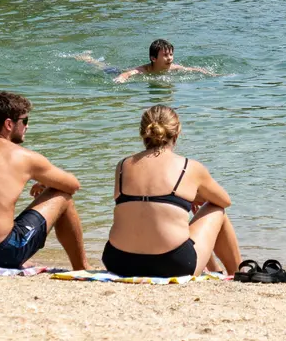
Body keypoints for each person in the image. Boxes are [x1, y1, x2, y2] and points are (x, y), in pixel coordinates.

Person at [0, 91, 89, 270]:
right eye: (25, 121)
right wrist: (48, 184)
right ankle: (82, 268)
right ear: (9, 124)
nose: (27, 126)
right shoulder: (22, 156)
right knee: (62, 195)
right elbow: (73, 185)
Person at [103, 105, 242, 278]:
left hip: (118, 261)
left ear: (143, 133)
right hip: (172, 264)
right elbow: (224, 200)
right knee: (216, 209)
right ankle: (237, 273)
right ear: (176, 134)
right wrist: (193, 195)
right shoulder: (189, 167)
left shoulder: (123, 166)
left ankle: (216, 270)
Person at [74, 39, 214, 83]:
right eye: (165, 55)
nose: (170, 58)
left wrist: (208, 73)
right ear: (153, 58)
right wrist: (122, 77)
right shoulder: (145, 70)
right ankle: (88, 58)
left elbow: (191, 69)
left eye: (171, 54)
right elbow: (130, 73)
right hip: (117, 72)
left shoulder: (173, 67)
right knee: (103, 67)